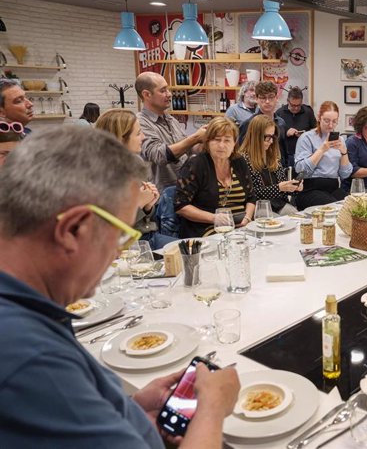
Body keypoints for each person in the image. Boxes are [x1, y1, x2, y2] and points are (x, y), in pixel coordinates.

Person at [0, 126, 240, 448]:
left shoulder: (26, 309)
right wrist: (213, 409)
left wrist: (129, 409)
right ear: (73, 230)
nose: (119, 251)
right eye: (121, 234)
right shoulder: (30, 359)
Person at [95, 108, 176, 249]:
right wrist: (138, 203)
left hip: (148, 237)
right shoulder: (100, 177)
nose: (144, 137)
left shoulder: (134, 166)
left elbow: (144, 220)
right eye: (138, 133)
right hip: (127, 247)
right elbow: (108, 230)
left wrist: (148, 206)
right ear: (120, 138)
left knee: (195, 251)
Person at [175, 116, 256, 238]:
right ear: (207, 142)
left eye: (227, 140)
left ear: (234, 143)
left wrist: (247, 218)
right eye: (217, 140)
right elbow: (180, 206)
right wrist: (214, 218)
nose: (221, 145)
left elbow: (251, 197)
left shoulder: (239, 162)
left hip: (241, 227)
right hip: (206, 228)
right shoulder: (196, 164)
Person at [136, 72, 206, 192]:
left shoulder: (170, 119)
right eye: (163, 91)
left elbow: (188, 150)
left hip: (182, 190)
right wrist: (195, 138)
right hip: (162, 197)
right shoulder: (140, 122)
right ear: (146, 94)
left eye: (168, 89)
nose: (169, 94)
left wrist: (204, 140)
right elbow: (159, 155)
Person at [294, 101, 352, 209]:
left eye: (334, 121)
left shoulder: (340, 140)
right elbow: (301, 170)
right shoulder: (307, 138)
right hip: (310, 188)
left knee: (350, 207)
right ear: (319, 118)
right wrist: (321, 150)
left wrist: (344, 152)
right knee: (334, 208)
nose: (331, 125)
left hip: (333, 187)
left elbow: (345, 174)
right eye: (327, 120)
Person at [239, 114, 302, 215]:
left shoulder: (273, 156)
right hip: (257, 206)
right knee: (274, 221)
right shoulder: (243, 159)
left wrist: (294, 188)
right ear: (256, 136)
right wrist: (278, 188)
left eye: (273, 137)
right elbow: (250, 194)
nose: (271, 141)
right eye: (267, 137)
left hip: (278, 204)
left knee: (295, 216)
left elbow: (283, 185)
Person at [237, 81, 287, 164]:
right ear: (257, 99)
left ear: (276, 98)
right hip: (257, 170)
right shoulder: (249, 124)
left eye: (271, 97)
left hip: (279, 170)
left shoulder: (281, 123)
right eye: (263, 98)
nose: (267, 101)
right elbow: (241, 152)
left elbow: (284, 152)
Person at [275, 86, 317, 169]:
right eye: (293, 105)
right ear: (287, 101)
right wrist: (285, 133)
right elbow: (274, 135)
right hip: (286, 154)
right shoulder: (279, 113)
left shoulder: (308, 112)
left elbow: (316, 129)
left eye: (299, 105)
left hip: (305, 153)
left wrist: (306, 134)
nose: (296, 108)